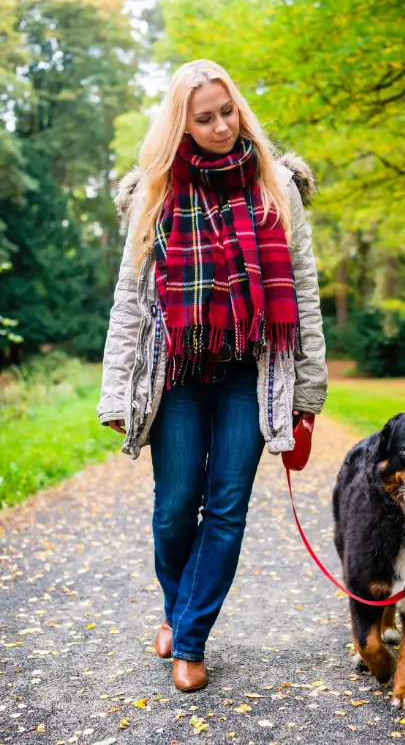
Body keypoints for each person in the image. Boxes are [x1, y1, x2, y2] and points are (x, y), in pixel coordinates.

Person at [97, 59, 327, 692]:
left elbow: (302, 289)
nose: (222, 126)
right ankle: (176, 609)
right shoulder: (156, 190)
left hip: (247, 374)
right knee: (174, 510)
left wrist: (307, 391)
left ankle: (190, 637)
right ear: (182, 125)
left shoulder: (274, 183)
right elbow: (128, 297)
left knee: (225, 508)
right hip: (174, 374)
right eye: (205, 118)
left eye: (228, 112)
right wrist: (117, 388)